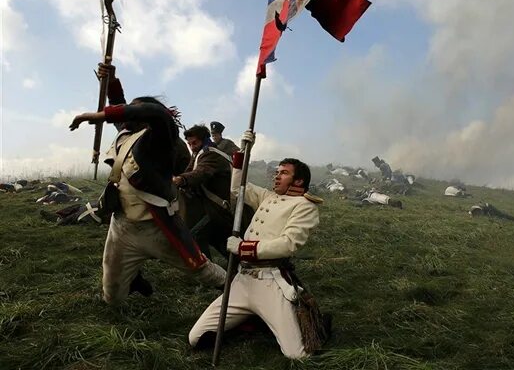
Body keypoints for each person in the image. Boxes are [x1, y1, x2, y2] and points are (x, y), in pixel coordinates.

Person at [68, 64, 225, 305]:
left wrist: (100, 115)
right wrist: (111, 80)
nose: (129, 113)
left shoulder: (160, 141)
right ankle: (134, 281)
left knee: (202, 269)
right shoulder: (127, 133)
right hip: (122, 227)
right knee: (112, 297)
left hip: (157, 227)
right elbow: (120, 102)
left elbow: (157, 114)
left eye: (135, 110)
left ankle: (235, 287)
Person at [188, 131, 326, 359]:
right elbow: (237, 190)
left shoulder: (305, 206)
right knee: (196, 338)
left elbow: (288, 244)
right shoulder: (268, 196)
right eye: (277, 172)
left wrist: (245, 248)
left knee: (297, 355)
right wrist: (241, 154)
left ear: (299, 180)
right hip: (242, 282)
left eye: (283, 173)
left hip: (270, 281)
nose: (276, 176)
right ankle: (254, 320)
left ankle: (285, 315)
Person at [173, 124, 233, 259]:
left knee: (196, 235)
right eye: (189, 144)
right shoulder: (198, 154)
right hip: (211, 209)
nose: (192, 146)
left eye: (194, 143)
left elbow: (201, 172)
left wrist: (180, 180)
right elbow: (190, 171)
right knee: (220, 243)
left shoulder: (211, 153)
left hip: (221, 209)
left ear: (204, 140)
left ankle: (211, 272)